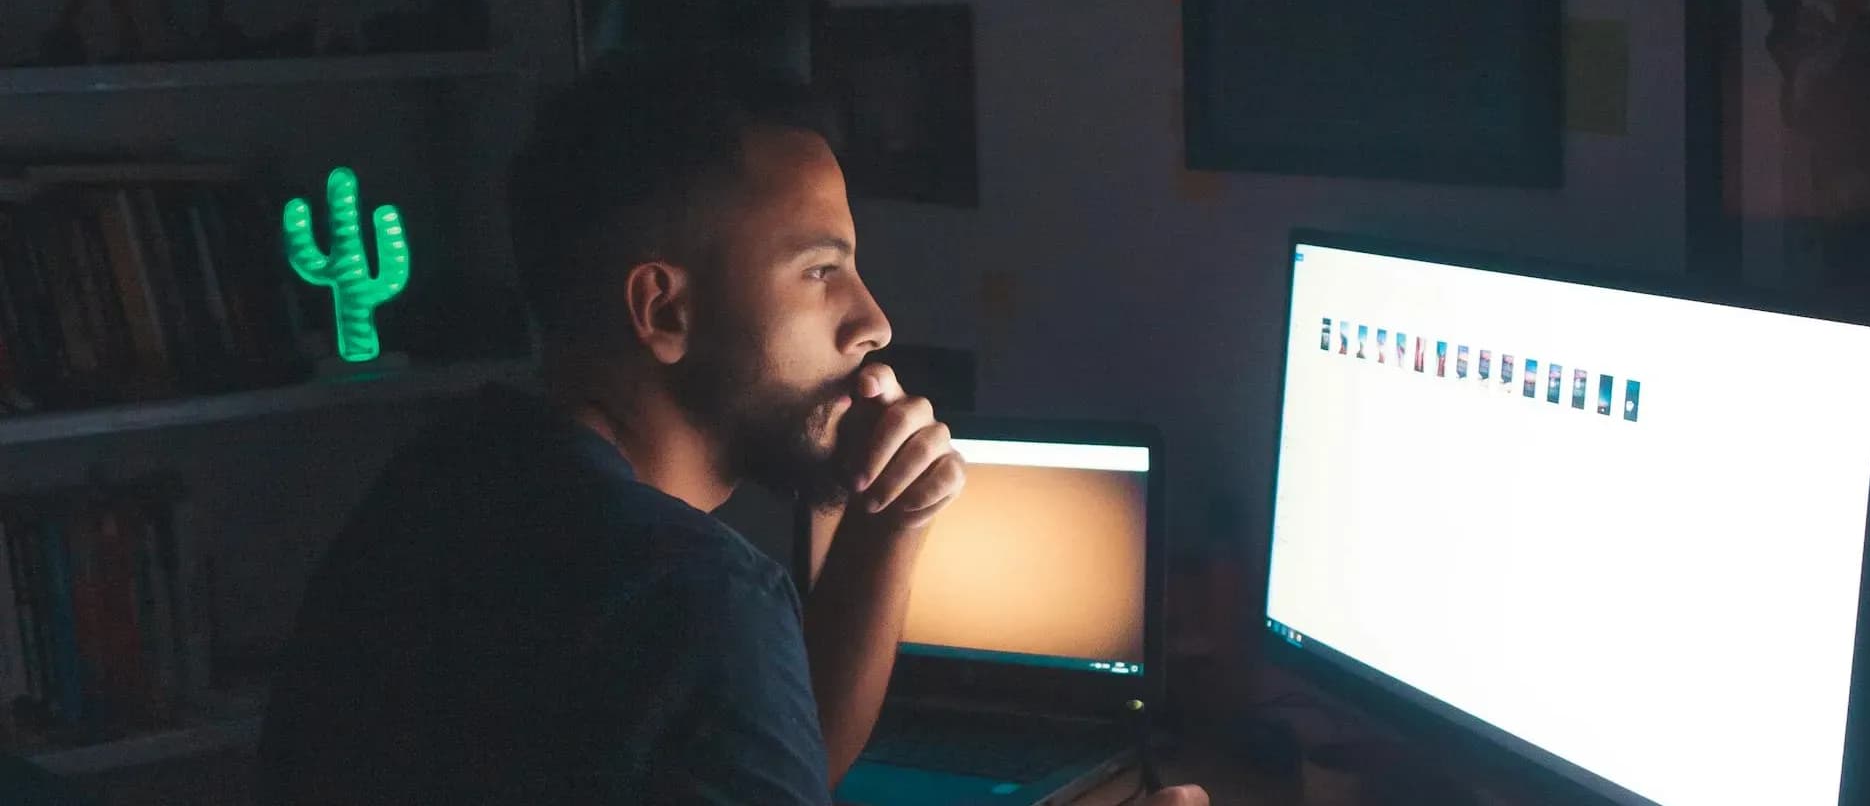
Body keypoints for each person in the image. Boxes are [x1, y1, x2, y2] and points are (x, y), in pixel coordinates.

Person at [257, 59, 1207, 805]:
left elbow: (783, 764)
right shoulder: (691, 590)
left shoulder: (452, 474)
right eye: (820, 272)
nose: (872, 321)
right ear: (662, 311)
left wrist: (885, 529)